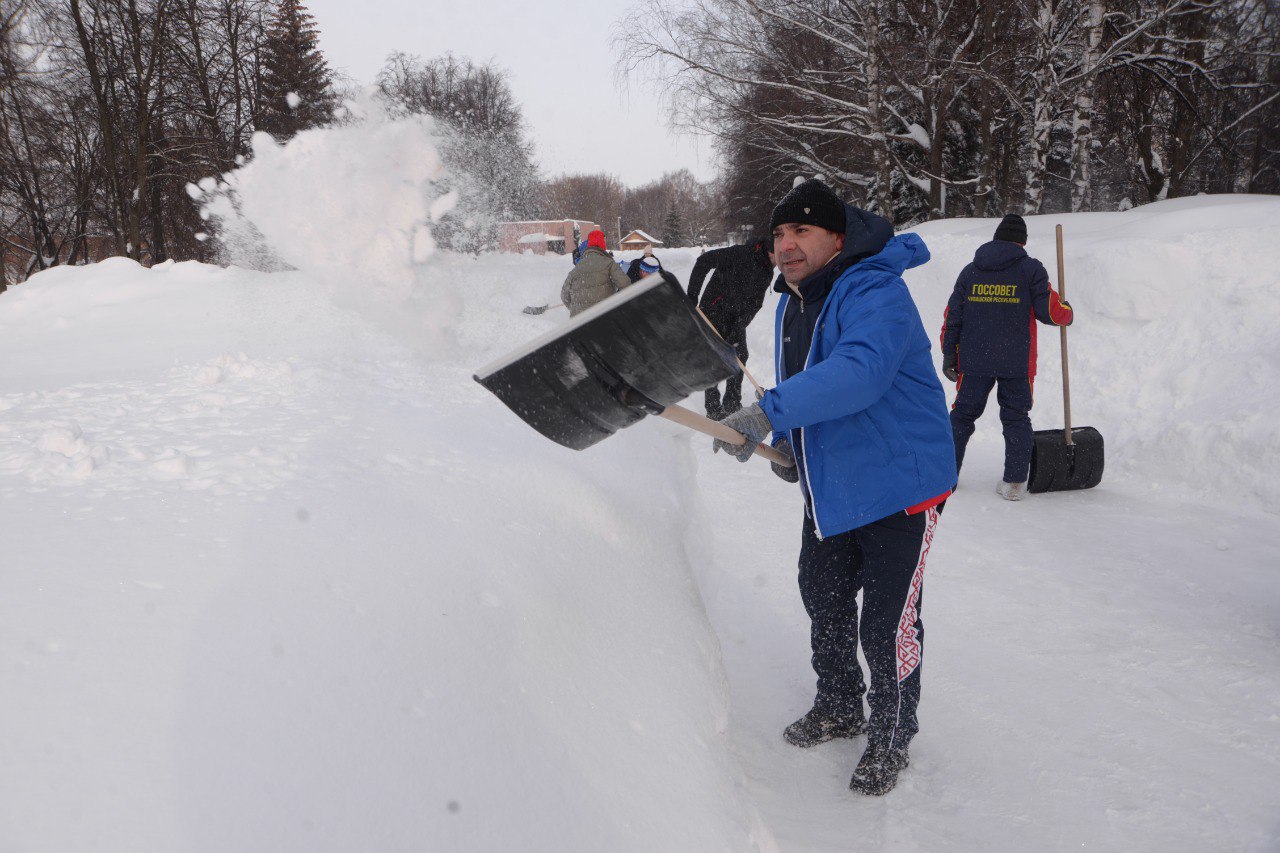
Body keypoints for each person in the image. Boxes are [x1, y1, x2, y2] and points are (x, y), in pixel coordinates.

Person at [711, 179, 956, 796]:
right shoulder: (796, 301)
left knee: (887, 621)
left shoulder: (875, 290)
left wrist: (770, 411)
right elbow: (821, 390)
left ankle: (892, 733)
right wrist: (793, 449)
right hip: (840, 483)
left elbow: (860, 374)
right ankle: (842, 702)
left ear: (837, 239)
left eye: (802, 232)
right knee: (821, 592)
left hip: (902, 484)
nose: (786, 245)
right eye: (781, 234)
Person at [939, 213, 1074, 500]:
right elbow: (1050, 311)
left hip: (975, 360)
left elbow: (953, 317)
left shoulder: (971, 271)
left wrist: (949, 354)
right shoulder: (1031, 269)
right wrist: (1067, 311)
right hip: (1016, 361)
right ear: (1022, 242)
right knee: (1016, 418)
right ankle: (1014, 483)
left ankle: (945, 477)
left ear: (996, 237)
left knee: (961, 416)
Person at [686, 236, 776, 419]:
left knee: (740, 355)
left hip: (736, 319)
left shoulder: (767, 270)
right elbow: (703, 261)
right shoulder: (739, 253)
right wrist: (692, 296)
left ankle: (732, 404)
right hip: (712, 313)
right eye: (779, 256)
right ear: (770, 251)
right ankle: (713, 408)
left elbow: (755, 302)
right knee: (714, 359)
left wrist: (741, 323)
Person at [560, 230, 632, 316]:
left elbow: (564, 295)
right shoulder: (609, 263)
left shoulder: (576, 269)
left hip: (579, 323)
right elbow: (625, 284)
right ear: (603, 245)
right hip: (602, 318)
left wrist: (576, 309)